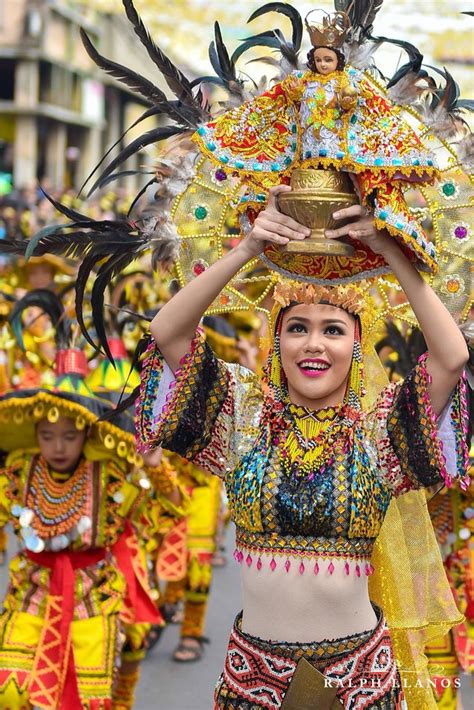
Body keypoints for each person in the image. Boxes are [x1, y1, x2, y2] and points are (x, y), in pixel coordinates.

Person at [136, 187, 469, 709]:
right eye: (297, 328)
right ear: (278, 343)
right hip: (252, 682)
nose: (313, 344)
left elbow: (449, 359)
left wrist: (394, 257)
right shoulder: (243, 417)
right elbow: (168, 332)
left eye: (333, 330)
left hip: (359, 683)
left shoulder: (376, 434)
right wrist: (247, 248)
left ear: (356, 348)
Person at [0, 291, 182, 709]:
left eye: (69, 435)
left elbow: (169, 508)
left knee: (93, 699)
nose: (58, 446)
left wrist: (154, 465)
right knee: (11, 693)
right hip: (31, 590)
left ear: (87, 433)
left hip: (92, 595)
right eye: (47, 436)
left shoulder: (111, 476)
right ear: (34, 437)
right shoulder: (17, 473)